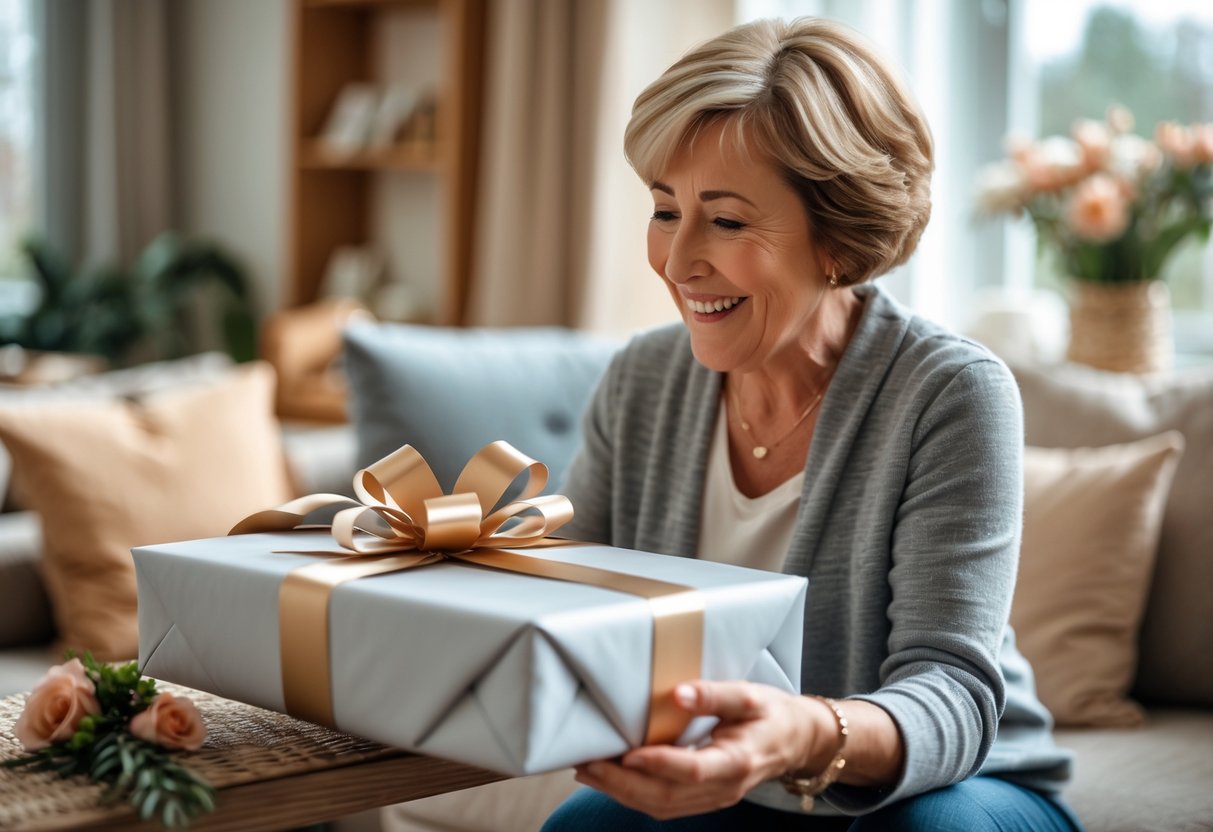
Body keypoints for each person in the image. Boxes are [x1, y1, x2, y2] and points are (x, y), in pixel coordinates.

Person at [541, 16, 1081, 832]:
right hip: (744, 787)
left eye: (724, 221)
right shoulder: (642, 379)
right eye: (663, 209)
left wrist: (801, 734)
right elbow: (568, 602)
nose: (678, 259)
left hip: (951, 787)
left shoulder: (949, 393)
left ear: (835, 235)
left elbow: (952, 694)